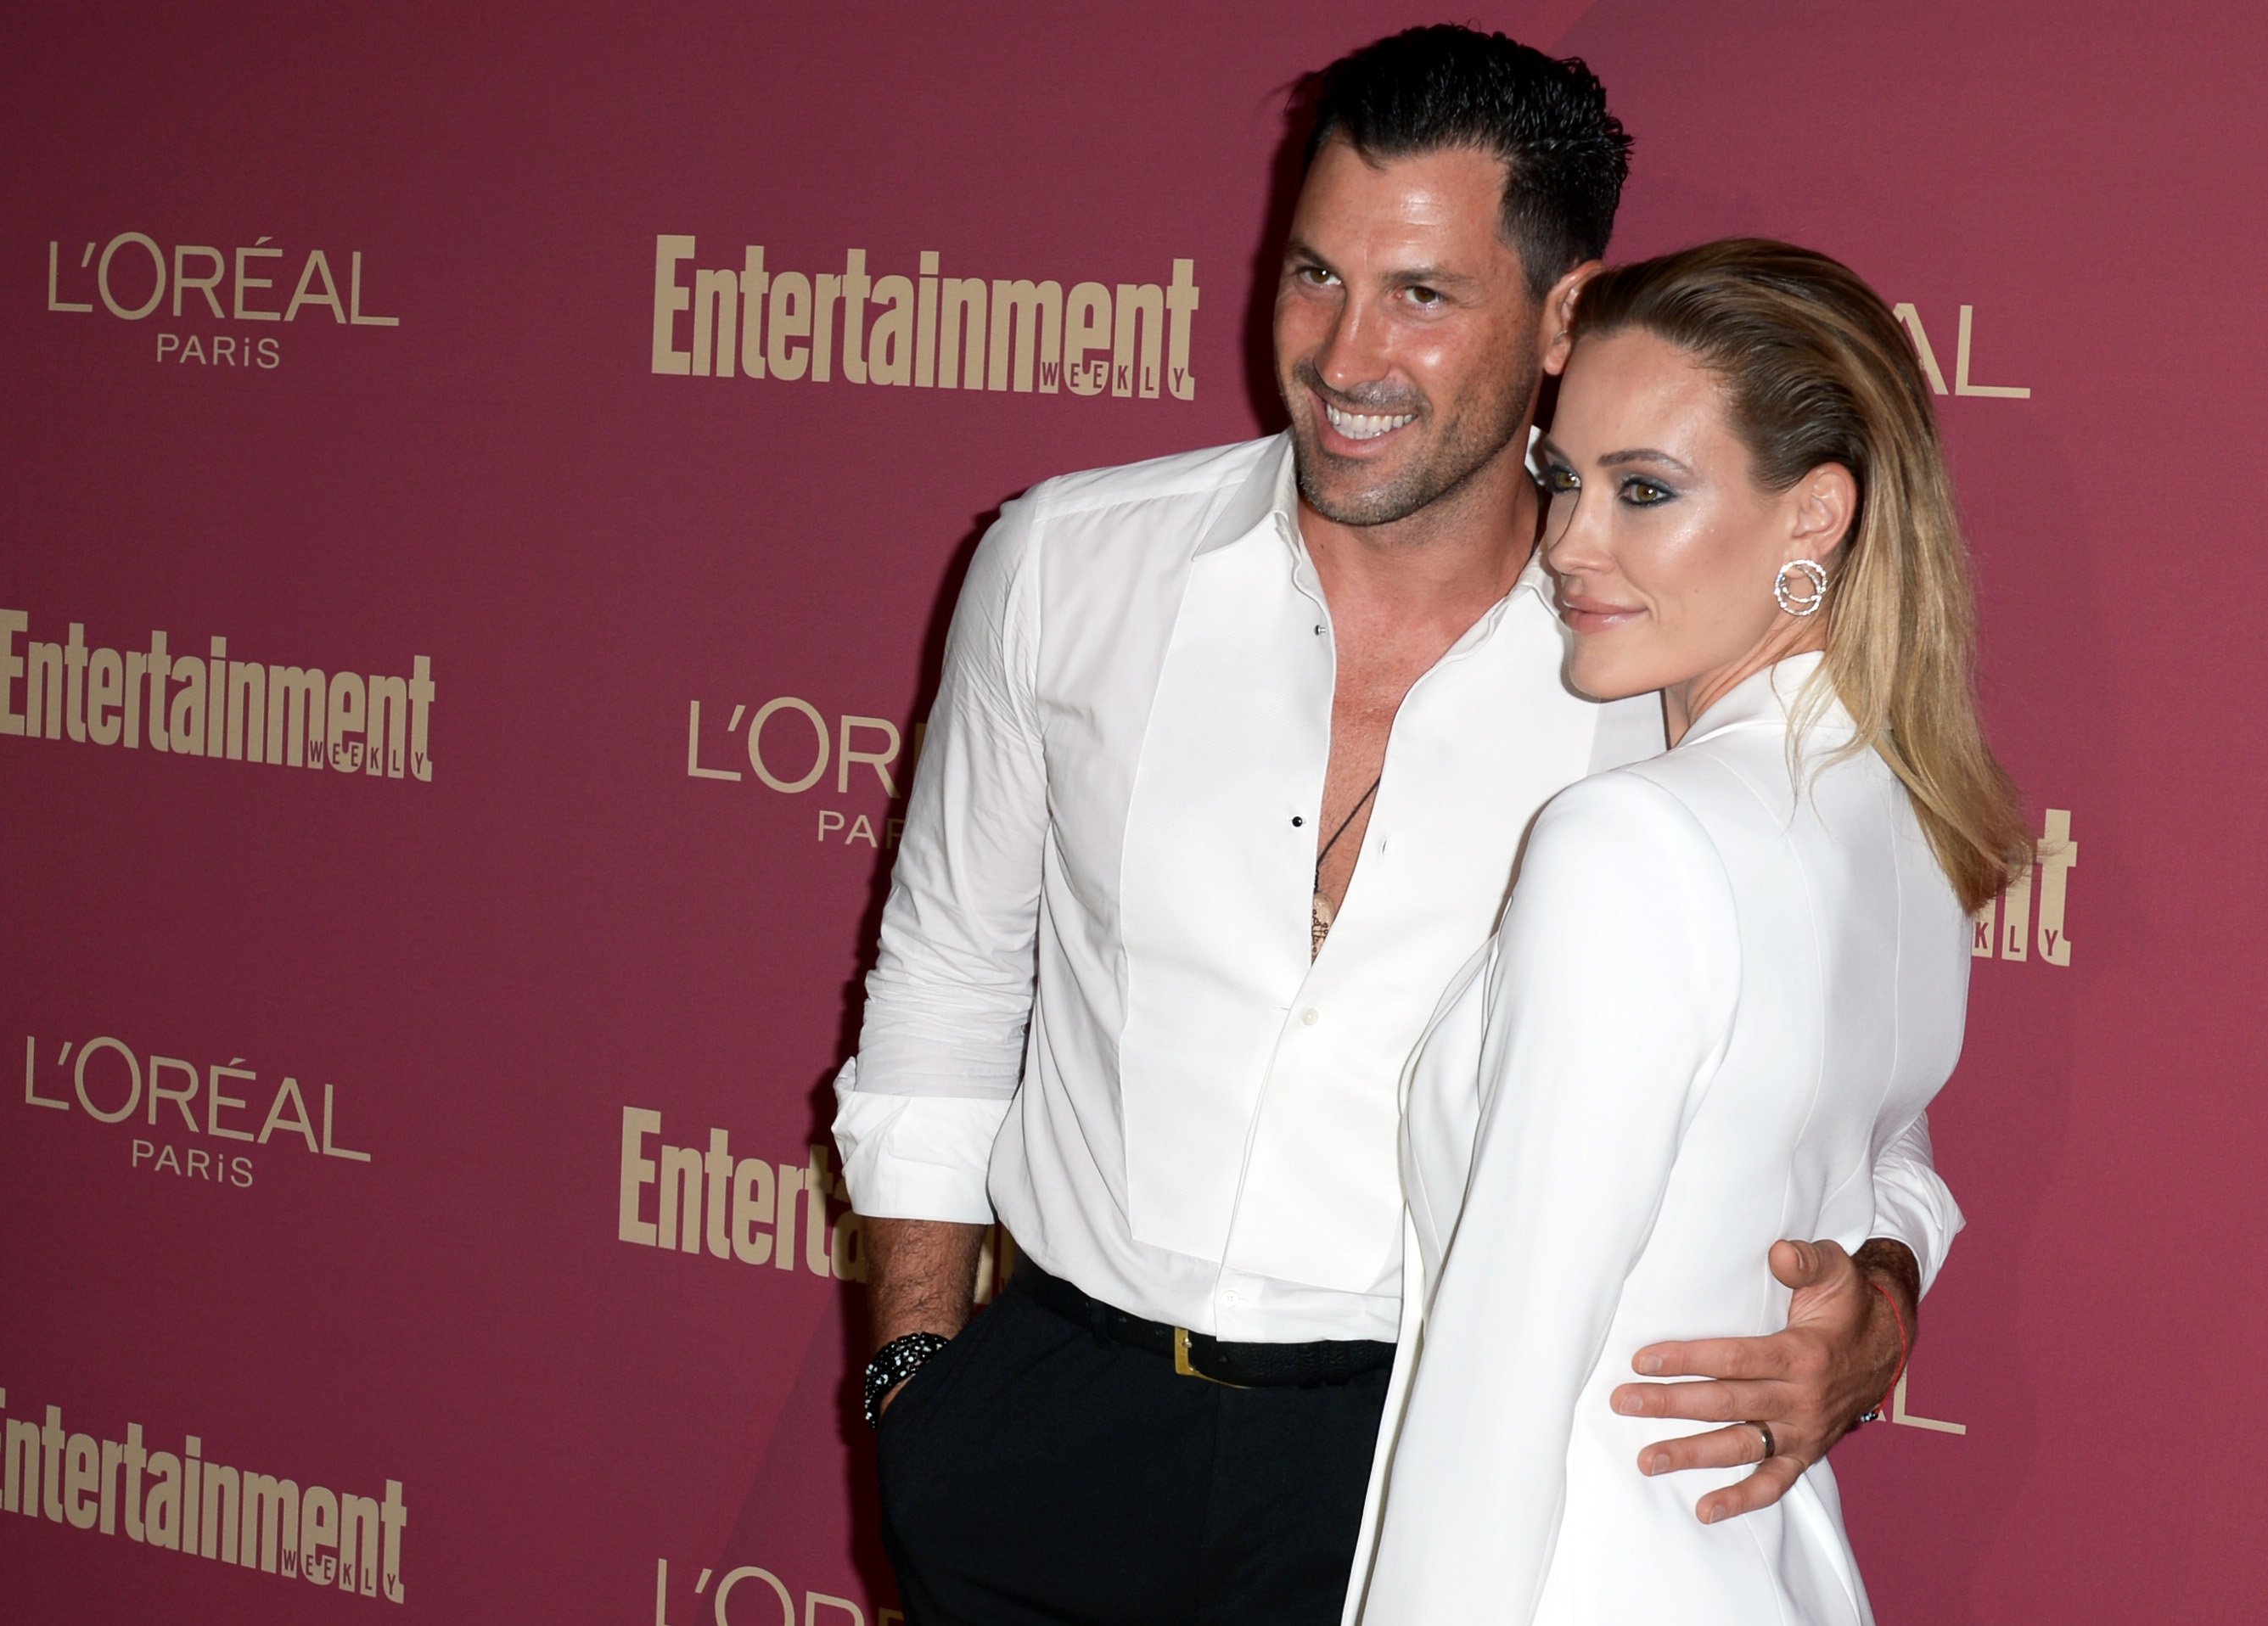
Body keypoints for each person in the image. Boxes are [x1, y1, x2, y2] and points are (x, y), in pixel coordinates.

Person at [834, 26, 1960, 1625]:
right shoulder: (1062, 568)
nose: (1344, 353)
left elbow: (1868, 1107)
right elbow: (945, 982)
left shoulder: (1657, 661)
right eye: (1312, 275)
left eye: (1422, 296)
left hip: (1416, 1453)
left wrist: (1887, 1290)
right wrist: (918, 1380)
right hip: (1045, 1422)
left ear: (1563, 313)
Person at [1349, 239, 2030, 1624]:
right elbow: (1890, 1162)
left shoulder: (1629, 845)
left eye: (1642, 492)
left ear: (1813, 517)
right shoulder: (1901, 827)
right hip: (1764, 1569)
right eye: (1561, 481)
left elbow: (1503, 1369)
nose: (1565, 547)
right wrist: (1884, 1281)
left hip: (1565, 1577)